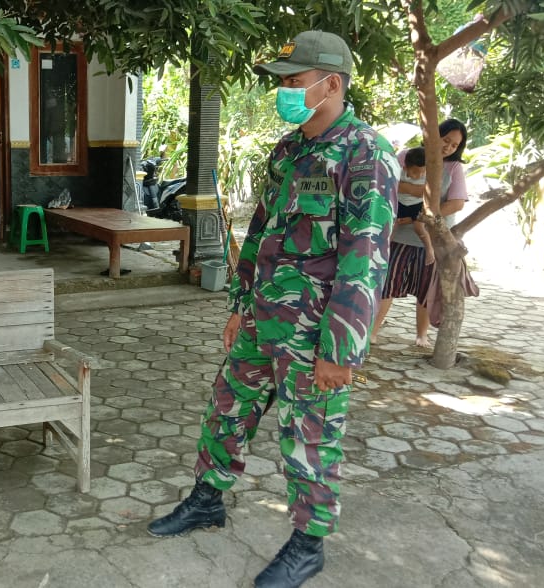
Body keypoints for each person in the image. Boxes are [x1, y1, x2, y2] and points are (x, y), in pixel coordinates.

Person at [146, 31, 399, 588]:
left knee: (309, 435)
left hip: (314, 336)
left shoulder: (366, 153)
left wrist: (341, 350)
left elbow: (365, 260)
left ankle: (308, 545)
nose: (284, 90)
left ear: (331, 83)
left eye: (293, 80)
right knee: (228, 409)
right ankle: (207, 499)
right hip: (261, 320)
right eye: (283, 81)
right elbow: (259, 234)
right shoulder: (289, 150)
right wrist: (239, 305)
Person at [371, 119, 471, 347]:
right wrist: (419, 193)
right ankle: (373, 332)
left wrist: (423, 216)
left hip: (433, 238)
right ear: (434, 134)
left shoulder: (454, 168)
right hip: (399, 235)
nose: (448, 147)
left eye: (454, 145)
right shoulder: (407, 154)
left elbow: (456, 204)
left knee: (427, 289)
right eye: (446, 140)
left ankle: (421, 336)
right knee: (388, 284)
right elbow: (386, 183)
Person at [397, 147, 436, 265]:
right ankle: (386, 246)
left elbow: (429, 193)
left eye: (422, 172)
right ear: (405, 168)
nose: (419, 176)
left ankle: (429, 249)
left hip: (417, 205)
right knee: (393, 224)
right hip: (400, 203)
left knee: (419, 227)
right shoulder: (399, 173)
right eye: (414, 172)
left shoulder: (427, 177)